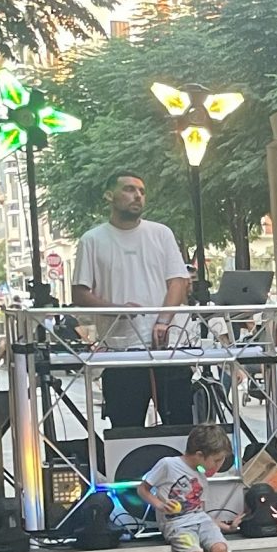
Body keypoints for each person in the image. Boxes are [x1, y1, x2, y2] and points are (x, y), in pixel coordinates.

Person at [71, 174, 192, 431]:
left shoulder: (161, 233)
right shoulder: (92, 240)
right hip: (121, 351)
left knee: (180, 429)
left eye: (142, 191)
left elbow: (178, 281)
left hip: (167, 350)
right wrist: (117, 310)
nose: (137, 195)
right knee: (126, 433)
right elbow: (80, 293)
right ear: (109, 196)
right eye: (129, 189)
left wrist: (163, 321)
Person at [138, 422, 240, 552]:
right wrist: (159, 505)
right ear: (200, 454)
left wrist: (224, 526)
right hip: (176, 523)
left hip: (200, 520)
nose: (219, 465)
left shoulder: (202, 475)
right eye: (217, 460)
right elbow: (143, 488)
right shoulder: (168, 464)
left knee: (221, 549)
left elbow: (200, 510)